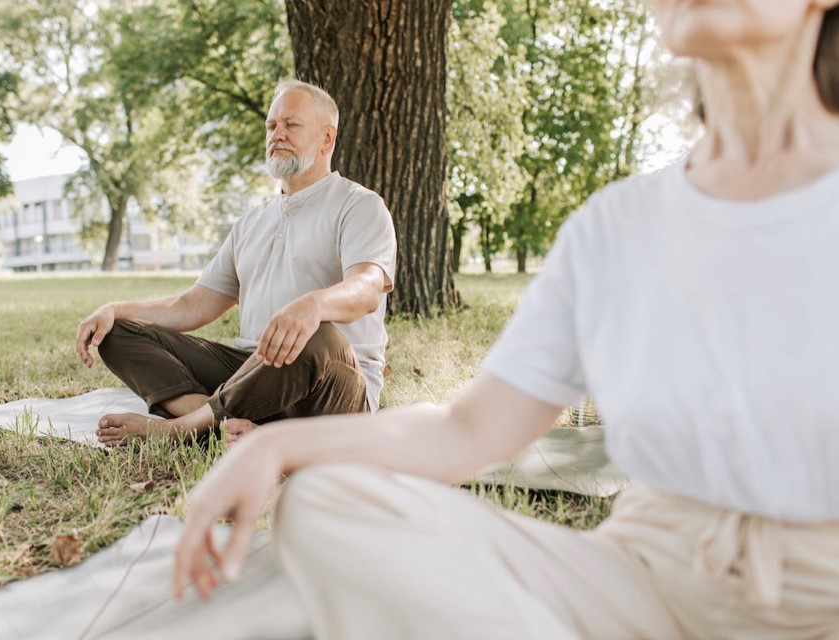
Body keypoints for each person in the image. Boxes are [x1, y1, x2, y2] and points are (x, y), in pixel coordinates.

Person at [170, 1, 839, 638]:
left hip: (819, 589)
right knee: (323, 502)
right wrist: (275, 447)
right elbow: (469, 429)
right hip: (640, 573)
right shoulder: (617, 224)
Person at [74, 80, 396, 447]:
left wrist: (313, 305)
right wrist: (114, 309)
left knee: (316, 332)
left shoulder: (359, 205)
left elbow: (367, 287)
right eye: (271, 126)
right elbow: (192, 306)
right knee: (120, 330)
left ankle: (183, 428)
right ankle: (227, 426)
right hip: (251, 375)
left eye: (291, 124)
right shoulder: (250, 223)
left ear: (327, 138)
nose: (277, 134)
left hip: (329, 390)